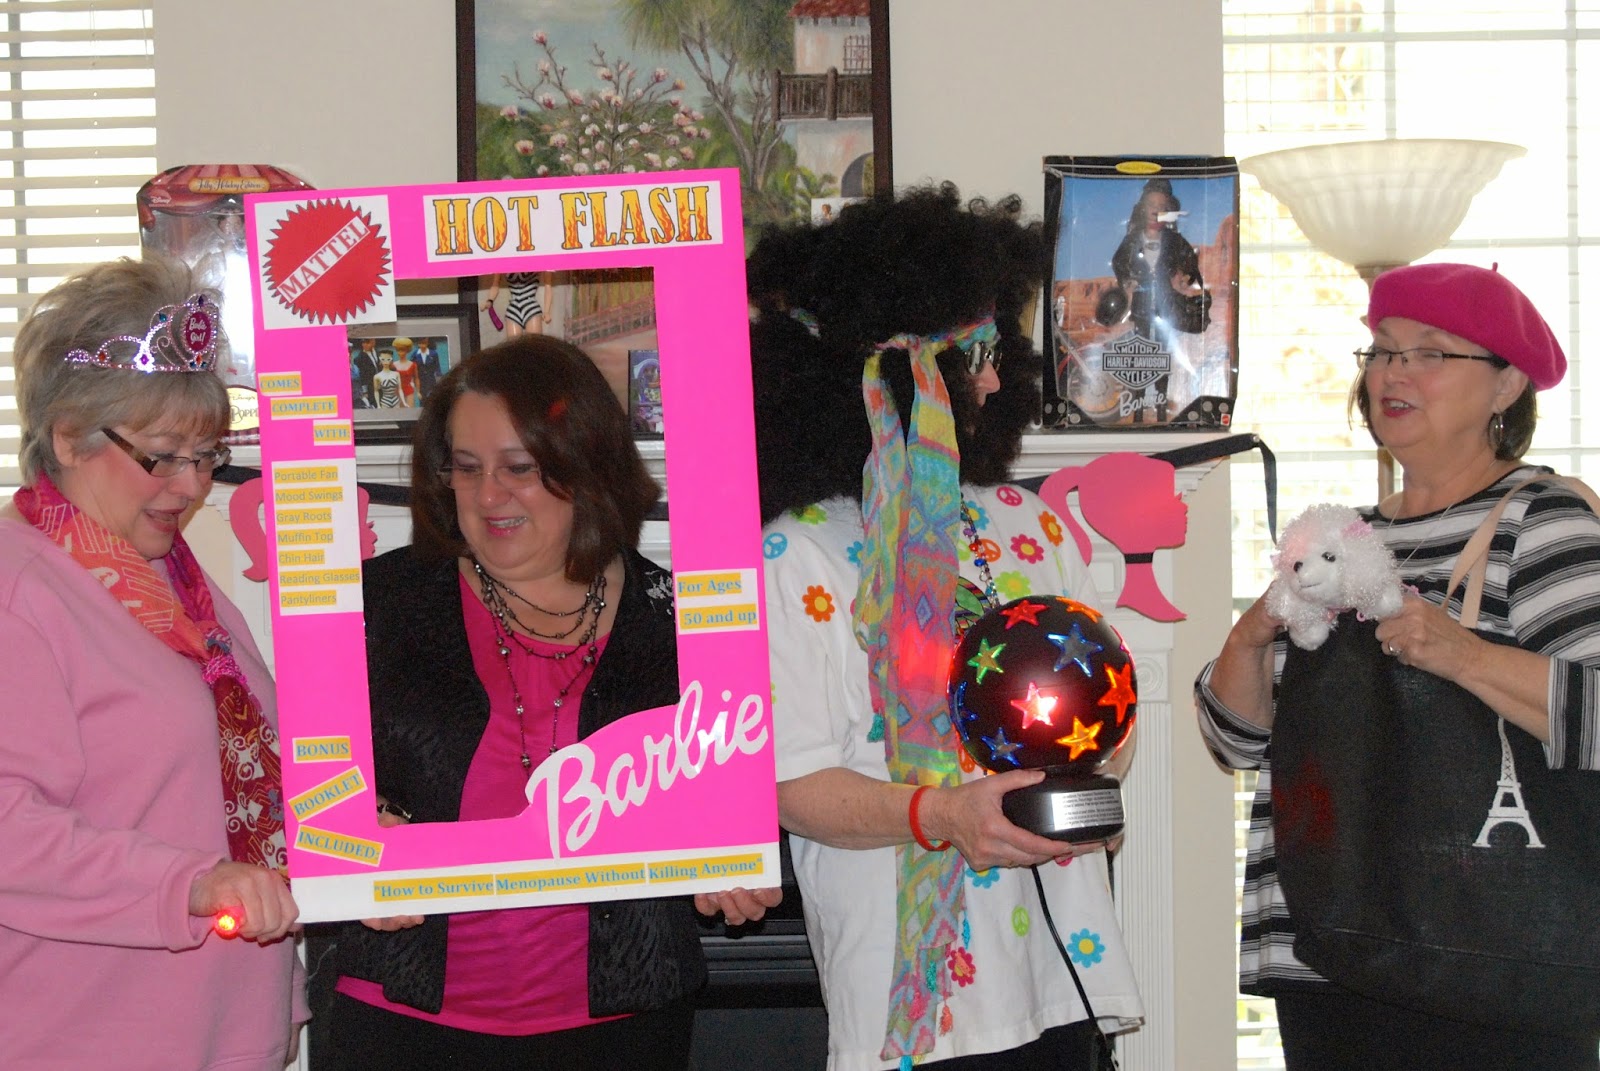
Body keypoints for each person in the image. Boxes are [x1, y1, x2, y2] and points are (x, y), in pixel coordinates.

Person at [750, 185, 1144, 1070]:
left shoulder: (1033, 524)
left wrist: (1090, 787)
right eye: (975, 355)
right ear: (897, 374)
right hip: (911, 1002)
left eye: (998, 351)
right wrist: (943, 815)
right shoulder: (797, 554)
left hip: (1063, 978)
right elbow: (789, 781)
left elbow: (1113, 711)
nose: (996, 379)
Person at [315, 335, 779, 1069]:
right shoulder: (377, 604)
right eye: (466, 468)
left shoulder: (685, 620)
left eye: (518, 467)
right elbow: (304, 785)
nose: (487, 495)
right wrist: (349, 831)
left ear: (585, 465)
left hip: (620, 1025)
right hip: (403, 1017)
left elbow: (724, 799)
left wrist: (734, 862)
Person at [1196, 262, 1600, 1070]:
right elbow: (1236, 742)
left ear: (1506, 384)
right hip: (1326, 949)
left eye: (1431, 352)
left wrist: (1464, 653)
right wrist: (1248, 638)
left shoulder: (1541, 519)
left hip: (1487, 951)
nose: (1394, 373)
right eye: (1381, 351)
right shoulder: (1341, 541)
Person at [0, 256, 303, 1069]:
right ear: (69, 435)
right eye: (162, 456)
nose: (191, 485)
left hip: (223, 1032)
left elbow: (234, 785)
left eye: (206, 455)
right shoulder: (18, 590)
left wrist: (349, 839)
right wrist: (190, 885)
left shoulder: (175, 581)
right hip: (80, 1041)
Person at [483, 270, 551, 337]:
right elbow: (495, 284)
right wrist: (490, 300)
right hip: (513, 308)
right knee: (513, 343)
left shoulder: (538, 263)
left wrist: (547, 311)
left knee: (534, 342)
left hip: (531, 306)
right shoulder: (502, 264)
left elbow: (548, 285)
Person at [391, 336, 420, 407]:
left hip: (409, 390)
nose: (400, 353)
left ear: (407, 350)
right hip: (397, 391)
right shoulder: (393, 365)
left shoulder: (413, 365)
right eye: (398, 350)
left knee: (410, 408)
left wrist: (418, 391)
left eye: (402, 350)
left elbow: (416, 378)